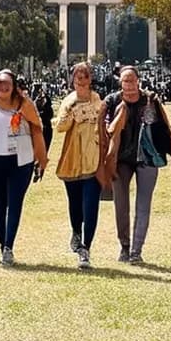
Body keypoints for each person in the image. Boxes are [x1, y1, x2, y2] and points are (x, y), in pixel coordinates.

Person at [102, 66, 171, 264]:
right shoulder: (112, 101)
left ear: (138, 80)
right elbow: (103, 129)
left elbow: (164, 128)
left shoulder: (150, 100)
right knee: (121, 204)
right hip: (120, 160)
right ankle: (125, 246)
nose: (128, 85)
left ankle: (136, 250)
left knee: (143, 204)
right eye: (124, 81)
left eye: (131, 80)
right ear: (120, 82)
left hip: (147, 157)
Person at [0, 69, 48, 265]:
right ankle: (2, 245)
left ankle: (8, 247)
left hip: (20, 162)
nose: (3, 87)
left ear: (14, 86)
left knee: (15, 204)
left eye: (7, 83)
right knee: (0, 206)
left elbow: (38, 126)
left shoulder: (24, 105)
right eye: (0, 83)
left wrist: (40, 156)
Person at [54, 62, 106, 269]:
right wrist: (72, 113)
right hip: (73, 160)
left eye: (85, 77)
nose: (82, 81)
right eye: (78, 78)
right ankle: (76, 232)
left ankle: (86, 248)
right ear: (73, 80)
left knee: (91, 205)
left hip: (93, 161)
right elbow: (60, 126)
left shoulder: (97, 100)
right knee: (75, 205)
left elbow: (103, 125)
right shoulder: (68, 101)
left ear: (90, 79)